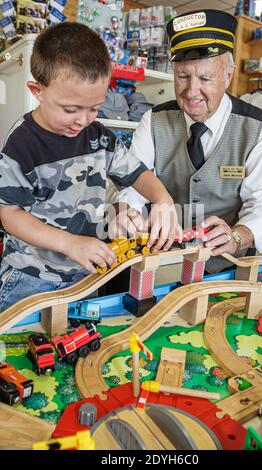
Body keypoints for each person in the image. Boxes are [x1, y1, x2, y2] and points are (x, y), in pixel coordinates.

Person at [0, 22, 181, 312]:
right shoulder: (22, 143)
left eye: (95, 108)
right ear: (38, 90)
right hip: (31, 277)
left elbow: (138, 174)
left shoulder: (99, 137)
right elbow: (9, 214)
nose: (83, 120)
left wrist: (163, 199)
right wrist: (70, 243)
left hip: (85, 274)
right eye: (70, 109)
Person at [115, 9, 262, 274]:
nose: (191, 91)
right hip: (165, 264)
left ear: (228, 75)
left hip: (229, 266)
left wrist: (237, 236)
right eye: (182, 77)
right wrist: (127, 211)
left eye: (205, 78)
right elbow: (133, 183)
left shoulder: (259, 127)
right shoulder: (154, 119)